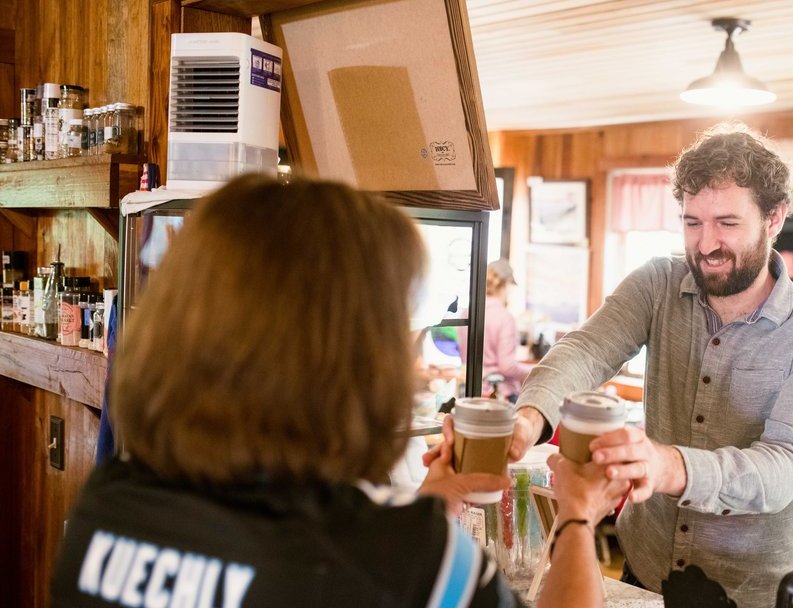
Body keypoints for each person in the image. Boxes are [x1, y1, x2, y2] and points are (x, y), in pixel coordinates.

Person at [50, 175, 628, 608]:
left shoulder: (107, 507)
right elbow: (359, 562)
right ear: (356, 358)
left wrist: (419, 508)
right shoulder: (420, 559)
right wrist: (578, 515)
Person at [505, 124, 793, 608]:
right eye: (692, 222)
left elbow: (783, 466)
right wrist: (528, 418)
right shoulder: (657, 283)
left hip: (750, 591)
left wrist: (668, 465)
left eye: (727, 224)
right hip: (643, 567)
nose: (706, 243)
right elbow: (585, 350)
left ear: (775, 217)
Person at [459, 260, 534, 400]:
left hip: (469, 391)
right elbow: (507, 366)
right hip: (497, 395)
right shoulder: (505, 317)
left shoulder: (467, 313)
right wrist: (536, 371)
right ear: (505, 285)